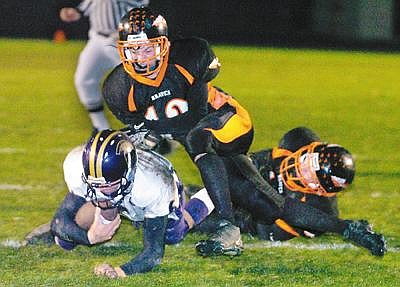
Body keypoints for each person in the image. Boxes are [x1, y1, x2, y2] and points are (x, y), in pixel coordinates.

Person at [102, 7, 256, 255]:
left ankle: (232, 215)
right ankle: (78, 222)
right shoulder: (118, 87)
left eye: (147, 48)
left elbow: (196, 114)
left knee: (246, 189)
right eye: (134, 49)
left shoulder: (189, 57)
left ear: (163, 45)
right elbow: (140, 126)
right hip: (170, 129)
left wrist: (158, 130)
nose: (141, 57)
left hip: (210, 123)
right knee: (108, 155)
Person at [192, 127, 386, 257]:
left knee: (188, 220)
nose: (302, 168)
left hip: (253, 217)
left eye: (312, 173)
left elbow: (266, 228)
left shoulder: (320, 210)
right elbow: (258, 157)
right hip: (245, 181)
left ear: (319, 191)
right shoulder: (298, 140)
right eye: (307, 160)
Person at [49, 129, 215, 278]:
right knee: (65, 240)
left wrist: (119, 271)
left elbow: (153, 254)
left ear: (128, 173)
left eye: (109, 185)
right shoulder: (77, 166)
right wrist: (89, 237)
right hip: (127, 190)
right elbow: (59, 222)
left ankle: (209, 195)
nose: (103, 190)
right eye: (96, 185)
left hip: (158, 185)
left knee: (172, 234)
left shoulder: (154, 186)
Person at [59, 0, 149, 131]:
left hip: (123, 42)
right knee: (84, 80)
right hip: (97, 39)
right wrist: (75, 12)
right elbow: (91, 5)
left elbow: (141, 5)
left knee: (136, 85)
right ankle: (101, 128)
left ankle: (148, 130)